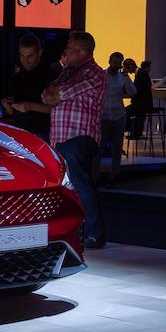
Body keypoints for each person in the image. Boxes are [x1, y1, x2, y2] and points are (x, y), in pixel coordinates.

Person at [42, 31, 108, 248]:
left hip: (79, 136)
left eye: (69, 48)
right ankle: (78, 230)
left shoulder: (94, 73)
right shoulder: (68, 71)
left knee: (80, 184)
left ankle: (94, 232)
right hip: (61, 137)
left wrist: (55, 93)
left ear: (80, 50)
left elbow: (59, 93)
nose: (66, 52)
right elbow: (46, 95)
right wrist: (54, 92)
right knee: (70, 186)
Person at [1, 34, 55, 140]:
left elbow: (57, 109)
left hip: (41, 134)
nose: (25, 60)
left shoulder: (51, 76)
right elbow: (12, 112)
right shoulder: (17, 77)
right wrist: (8, 106)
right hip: (18, 133)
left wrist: (30, 106)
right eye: (22, 56)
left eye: (30, 56)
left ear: (40, 53)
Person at [101, 52, 136, 183]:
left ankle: (114, 173)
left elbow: (133, 92)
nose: (116, 65)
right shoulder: (102, 75)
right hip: (103, 115)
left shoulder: (122, 77)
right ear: (109, 61)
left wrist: (127, 78)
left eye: (119, 63)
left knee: (117, 146)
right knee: (100, 147)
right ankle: (95, 174)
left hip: (118, 115)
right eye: (115, 62)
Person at [127, 60, 153, 138]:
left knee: (124, 112)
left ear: (131, 66)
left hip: (142, 103)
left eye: (127, 68)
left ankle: (134, 132)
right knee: (130, 112)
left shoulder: (141, 74)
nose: (127, 71)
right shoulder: (141, 73)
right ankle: (135, 132)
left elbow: (137, 90)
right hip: (142, 102)